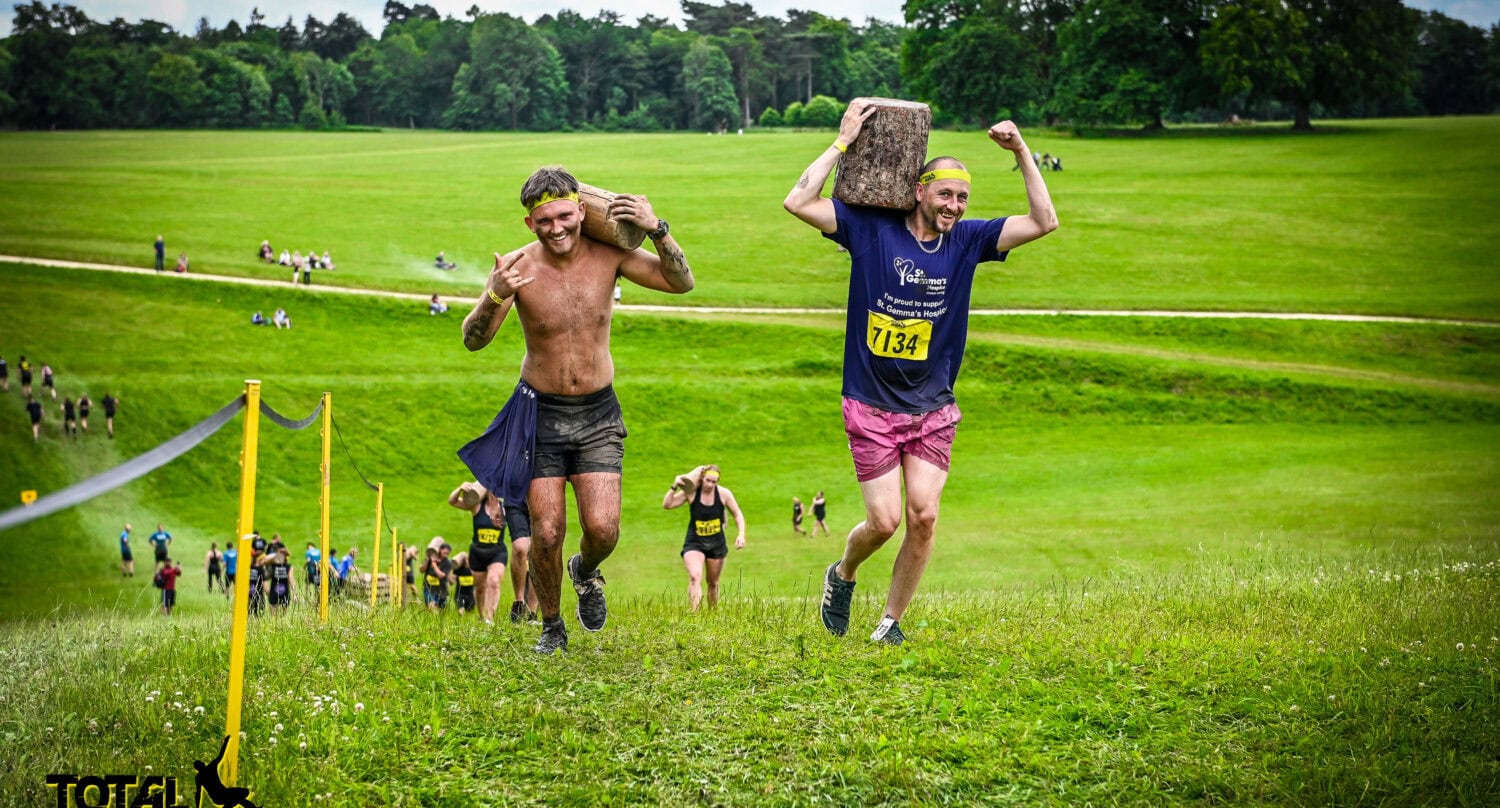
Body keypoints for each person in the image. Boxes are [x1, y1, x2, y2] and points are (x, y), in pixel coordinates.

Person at [783, 103, 1058, 646]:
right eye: (945, 194)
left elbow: (1044, 222)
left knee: (924, 516)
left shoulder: (969, 240)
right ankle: (841, 575)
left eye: (961, 198)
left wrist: (1022, 151)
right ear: (919, 191)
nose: (954, 206)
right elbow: (798, 200)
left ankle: (890, 623)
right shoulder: (869, 230)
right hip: (869, 400)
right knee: (884, 523)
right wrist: (843, 141)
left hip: (933, 404)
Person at [458, 165, 694, 655]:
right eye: (544, 221)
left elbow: (681, 283)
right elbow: (473, 340)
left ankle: (584, 571)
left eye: (564, 216)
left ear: (582, 211)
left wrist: (658, 229)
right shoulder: (518, 266)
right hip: (538, 414)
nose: (556, 228)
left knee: (603, 529)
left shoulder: (612, 254)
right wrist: (495, 293)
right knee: (545, 532)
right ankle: (551, 626)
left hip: (597, 414)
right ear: (530, 224)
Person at [662, 465, 746, 610]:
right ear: (702, 478)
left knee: (713, 582)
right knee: (695, 577)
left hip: (716, 544)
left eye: (714, 482)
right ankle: (695, 616)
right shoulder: (692, 493)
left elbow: (737, 514)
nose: (710, 485)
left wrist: (741, 534)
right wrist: (674, 485)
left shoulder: (724, 494)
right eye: (708, 480)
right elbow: (668, 504)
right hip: (694, 543)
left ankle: (712, 616)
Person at [449, 483, 507, 625]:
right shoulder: (476, 507)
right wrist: (460, 488)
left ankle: (490, 618)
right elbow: (453, 501)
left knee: (494, 581)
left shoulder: (505, 508)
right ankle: (482, 616)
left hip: (497, 552)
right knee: (480, 589)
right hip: (478, 553)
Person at [421, 544, 453, 611]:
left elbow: (441, 575)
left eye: (448, 553)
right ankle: (433, 620)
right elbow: (422, 570)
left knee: (441, 611)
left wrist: (434, 565)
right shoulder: (431, 558)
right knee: (432, 607)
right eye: (445, 552)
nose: (446, 555)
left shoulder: (448, 563)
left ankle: (437, 620)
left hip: (441, 590)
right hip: (428, 588)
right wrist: (428, 559)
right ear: (440, 550)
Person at [265, 546, 294, 612]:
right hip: (273, 593)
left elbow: (291, 580)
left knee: (284, 615)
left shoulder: (288, 566)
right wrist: (274, 559)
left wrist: (294, 593)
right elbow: (264, 562)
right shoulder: (272, 565)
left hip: (285, 593)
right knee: (273, 616)